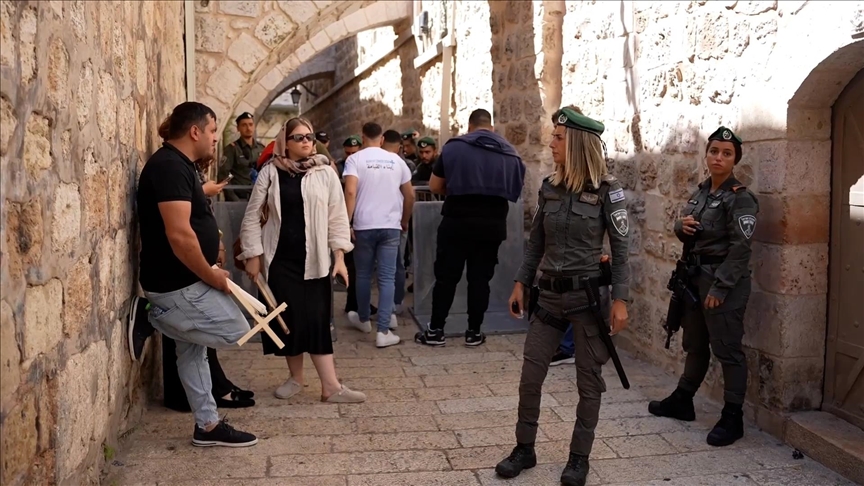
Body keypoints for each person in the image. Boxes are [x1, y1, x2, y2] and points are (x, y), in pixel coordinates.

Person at [495, 106, 630, 485]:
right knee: (530, 376)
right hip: (549, 299)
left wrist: (621, 300)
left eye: (558, 137)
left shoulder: (608, 191)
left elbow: (621, 251)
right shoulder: (549, 188)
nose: (551, 142)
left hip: (588, 301)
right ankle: (524, 448)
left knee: (589, 382)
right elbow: (536, 242)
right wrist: (521, 282)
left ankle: (578, 458)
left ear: (578, 144)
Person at [135, 101, 257, 447]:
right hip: (178, 285)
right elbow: (179, 234)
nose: (216, 138)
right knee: (237, 329)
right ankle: (150, 317)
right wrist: (210, 275)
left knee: (193, 352)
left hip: (186, 279)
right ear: (194, 131)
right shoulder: (169, 167)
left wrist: (210, 255)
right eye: (213, 130)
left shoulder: (180, 165)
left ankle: (207, 426)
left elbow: (195, 220)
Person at [238, 117, 365, 403]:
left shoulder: (325, 172)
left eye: (309, 137)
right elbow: (252, 215)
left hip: (316, 261)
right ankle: (296, 378)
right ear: (285, 142)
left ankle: (331, 386)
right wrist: (253, 255)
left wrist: (340, 256)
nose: (306, 141)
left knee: (317, 320)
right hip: (280, 259)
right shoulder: (271, 172)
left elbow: (337, 217)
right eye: (299, 137)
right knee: (288, 320)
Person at [648, 126, 758, 448]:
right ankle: (683, 400)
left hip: (722, 283)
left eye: (727, 153)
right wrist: (678, 226)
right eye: (714, 151)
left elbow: (741, 250)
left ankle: (733, 417)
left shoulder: (741, 198)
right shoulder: (701, 193)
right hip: (694, 280)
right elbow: (689, 230)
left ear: (735, 159)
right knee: (695, 344)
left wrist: (720, 288)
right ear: (706, 155)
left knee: (728, 350)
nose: (718, 157)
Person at [414, 109, 526, 347]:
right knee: (480, 280)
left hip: (457, 222)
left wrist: (457, 190)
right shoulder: (511, 153)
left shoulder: (454, 147)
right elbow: (514, 191)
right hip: (492, 225)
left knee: (446, 278)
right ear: (491, 127)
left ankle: (436, 331)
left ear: (470, 126)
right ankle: (474, 332)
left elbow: (434, 185)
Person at [343, 122, 415, 348]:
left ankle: (364, 319)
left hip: (363, 225)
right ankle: (384, 330)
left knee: (363, 274)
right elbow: (410, 195)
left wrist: (347, 222)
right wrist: (404, 220)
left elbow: (350, 191)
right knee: (387, 277)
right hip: (390, 225)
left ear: (362, 137)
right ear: (382, 139)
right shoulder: (397, 161)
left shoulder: (355, 160)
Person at [382, 129, 415, 313]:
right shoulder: (402, 164)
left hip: (374, 221)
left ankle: (376, 309)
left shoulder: (370, 161)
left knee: (375, 268)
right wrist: (405, 220)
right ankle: (395, 303)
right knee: (397, 264)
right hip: (396, 221)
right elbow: (410, 196)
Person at [219, 112, 265, 201]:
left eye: (251, 124)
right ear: (238, 128)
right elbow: (223, 175)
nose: (248, 128)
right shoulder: (232, 149)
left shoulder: (261, 148)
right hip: (239, 198)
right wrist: (234, 199)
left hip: (258, 199)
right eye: (244, 125)